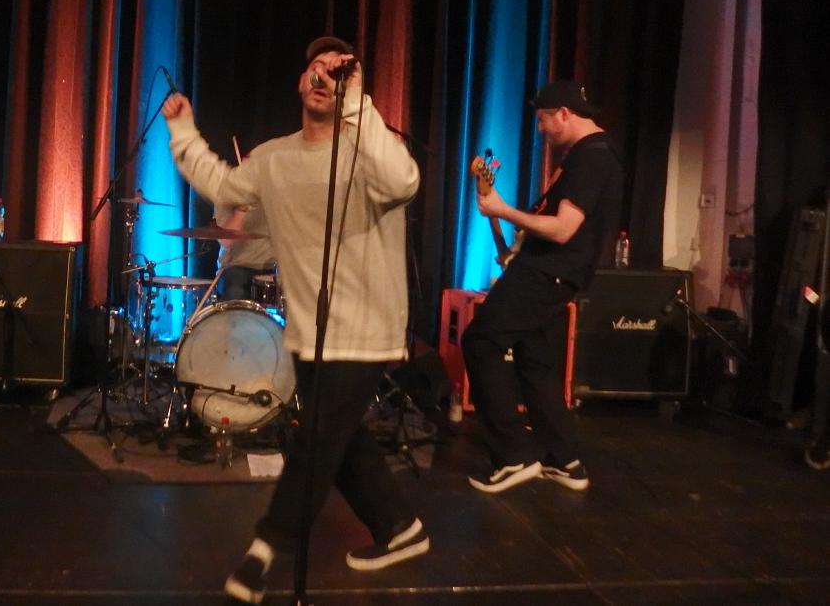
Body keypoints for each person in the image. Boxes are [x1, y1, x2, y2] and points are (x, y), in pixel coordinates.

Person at [163, 36, 428, 603]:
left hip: (367, 329)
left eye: (337, 69)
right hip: (310, 330)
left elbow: (404, 182)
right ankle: (400, 527)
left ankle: (262, 553)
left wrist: (358, 103)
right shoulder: (274, 158)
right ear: (300, 82)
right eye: (315, 66)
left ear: (351, 85)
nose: (323, 75)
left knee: (315, 443)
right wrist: (183, 131)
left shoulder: (370, 151)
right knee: (341, 439)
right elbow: (222, 185)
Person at [462, 80, 622, 493]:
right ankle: (564, 459)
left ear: (564, 114)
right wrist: (511, 242)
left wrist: (503, 209)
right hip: (551, 272)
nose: (540, 129)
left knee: (480, 341)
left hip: (546, 273)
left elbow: (563, 229)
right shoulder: (590, 155)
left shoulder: (591, 156)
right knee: (537, 365)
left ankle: (513, 456)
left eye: (543, 119)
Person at [213, 201, 275, 302]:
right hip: (237, 266)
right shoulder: (227, 195)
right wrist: (242, 209)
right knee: (236, 292)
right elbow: (226, 240)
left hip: (274, 267)